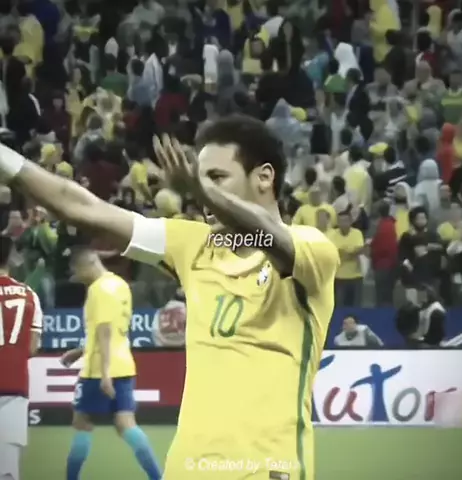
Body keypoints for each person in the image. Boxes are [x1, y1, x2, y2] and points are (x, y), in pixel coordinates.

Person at [0, 114, 339, 480]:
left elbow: (269, 237)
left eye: (217, 177)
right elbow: (82, 207)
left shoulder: (312, 250)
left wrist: (200, 189)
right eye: (200, 178)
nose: (203, 193)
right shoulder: (192, 245)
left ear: (264, 177)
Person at [60, 247, 161, 480]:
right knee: (125, 423)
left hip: (99, 368)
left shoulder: (99, 289)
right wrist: (80, 350)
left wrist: (105, 374)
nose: (77, 276)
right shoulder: (120, 284)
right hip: (124, 365)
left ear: (86, 265)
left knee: (82, 422)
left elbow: (104, 331)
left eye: (76, 271)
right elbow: (112, 329)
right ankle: (158, 477)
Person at [0, 234, 43, 480]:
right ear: (10, 258)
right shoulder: (29, 295)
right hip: (14, 385)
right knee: (7, 465)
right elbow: (32, 348)